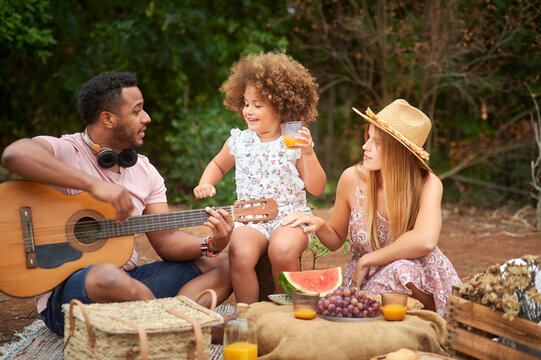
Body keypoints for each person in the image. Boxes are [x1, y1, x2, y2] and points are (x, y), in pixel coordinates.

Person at [1, 71, 234, 336]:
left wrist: (210, 244)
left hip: (131, 287)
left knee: (226, 264)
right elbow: (15, 154)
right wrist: (93, 185)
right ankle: (184, 329)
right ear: (108, 119)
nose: (147, 118)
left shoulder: (146, 172)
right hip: (69, 296)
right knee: (107, 276)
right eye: (137, 111)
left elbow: (167, 241)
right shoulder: (67, 151)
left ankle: (164, 326)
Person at [282, 99, 461, 319]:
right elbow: (336, 238)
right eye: (368, 138)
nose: (365, 146)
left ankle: (428, 326)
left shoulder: (428, 184)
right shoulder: (351, 179)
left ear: (398, 152)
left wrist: (368, 260)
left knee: (401, 269)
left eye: (376, 142)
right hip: (364, 283)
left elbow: (425, 240)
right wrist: (320, 225)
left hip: (417, 276)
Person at [193, 52, 326, 303]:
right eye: (245, 103)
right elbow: (218, 164)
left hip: (289, 216)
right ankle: (249, 313)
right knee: (240, 253)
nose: (248, 111)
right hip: (250, 216)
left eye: (257, 105)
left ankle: (285, 311)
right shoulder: (239, 141)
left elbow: (317, 188)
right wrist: (206, 182)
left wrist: (307, 153)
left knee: (282, 250)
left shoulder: (294, 142)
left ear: (281, 105)